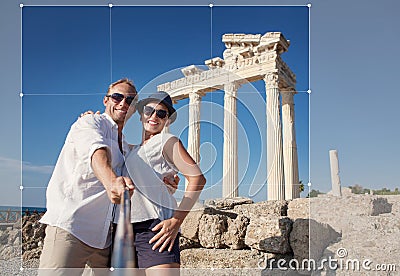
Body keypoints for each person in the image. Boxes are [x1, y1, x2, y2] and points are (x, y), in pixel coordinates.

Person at [38, 79, 177, 274]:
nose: (123, 103)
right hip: (72, 229)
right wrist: (111, 181)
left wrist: (165, 182)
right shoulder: (90, 122)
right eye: (117, 97)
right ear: (106, 100)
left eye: (130, 100)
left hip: (105, 241)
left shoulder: (126, 145)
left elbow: (143, 168)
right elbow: (96, 151)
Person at [122, 91, 206, 274]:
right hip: (125, 230)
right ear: (141, 114)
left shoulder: (167, 141)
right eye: (149, 110)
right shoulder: (132, 150)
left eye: (161, 113)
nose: (154, 116)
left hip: (155, 228)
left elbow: (197, 179)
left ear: (167, 120)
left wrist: (176, 221)